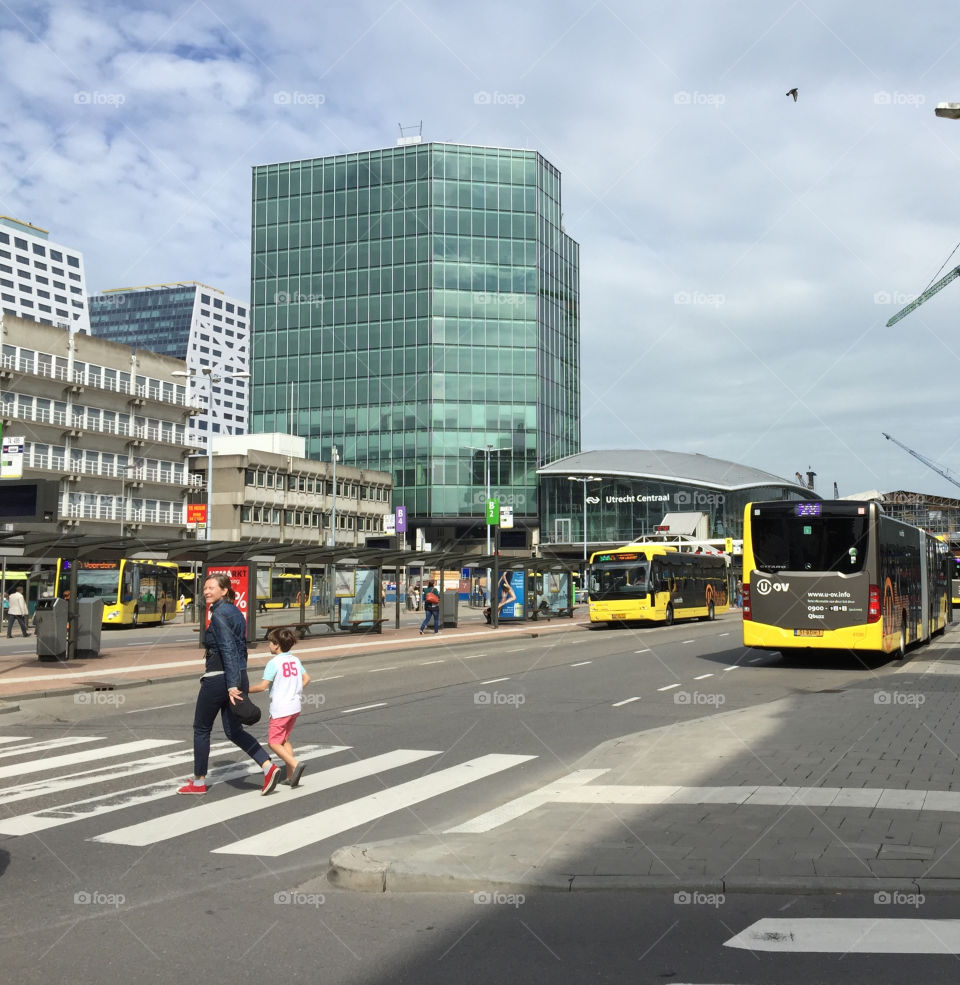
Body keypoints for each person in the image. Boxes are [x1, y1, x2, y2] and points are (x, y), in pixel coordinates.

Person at [177, 572, 281, 796]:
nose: (206, 591)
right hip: (238, 675)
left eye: (211, 588)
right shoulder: (236, 613)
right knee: (234, 731)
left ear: (224, 590)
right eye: (205, 588)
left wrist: (231, 685)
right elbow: (240, 648)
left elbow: (228, 648)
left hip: (219, 678)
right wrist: (238, 679)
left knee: (201, 728)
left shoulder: (219, 614)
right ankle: (268, 766)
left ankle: (198, 783)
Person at [249, 628, 311, 787]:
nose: (269, 645)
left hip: (281, 709)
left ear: (277, 645)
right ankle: (290, 776)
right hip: (294, 707)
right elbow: (307, 678)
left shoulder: (274, 663)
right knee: (284, 740)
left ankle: (295, 764)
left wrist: (244, 689)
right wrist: (295, 690)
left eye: (270, 642)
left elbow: (262, 686)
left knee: (273, 742)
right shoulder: (295, 660)